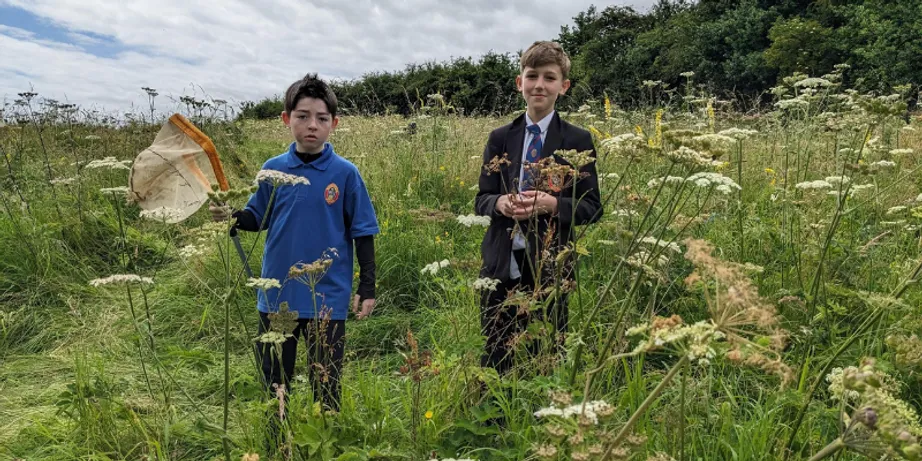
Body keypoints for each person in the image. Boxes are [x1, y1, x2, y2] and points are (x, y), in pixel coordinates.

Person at [211, 73, 379, 412]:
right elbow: (257, 218)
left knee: (327, 382)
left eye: (321, 118)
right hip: (278, 296)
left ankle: (325, 437)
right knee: (274, 382)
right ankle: (277, 441)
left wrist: (368, 286)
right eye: (302, 117)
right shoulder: (273, 170)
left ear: (334, 123)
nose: (311, 125)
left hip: (326, 299)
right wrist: (231, 215)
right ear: (287, 119)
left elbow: (363, 231)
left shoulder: (346, 174)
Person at [474, 41, 603, 375]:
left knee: (545, 353)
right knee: (496, 349)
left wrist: (551, 204)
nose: (539, 85)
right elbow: (482, 199)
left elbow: (592, 207)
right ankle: (494, 418)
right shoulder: (500, 137)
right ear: (520, 83)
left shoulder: (577, 140)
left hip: (550, 266)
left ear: (564, 86)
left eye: (550, 77)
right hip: (501, 262)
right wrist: (500, 203)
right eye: (532, 76)